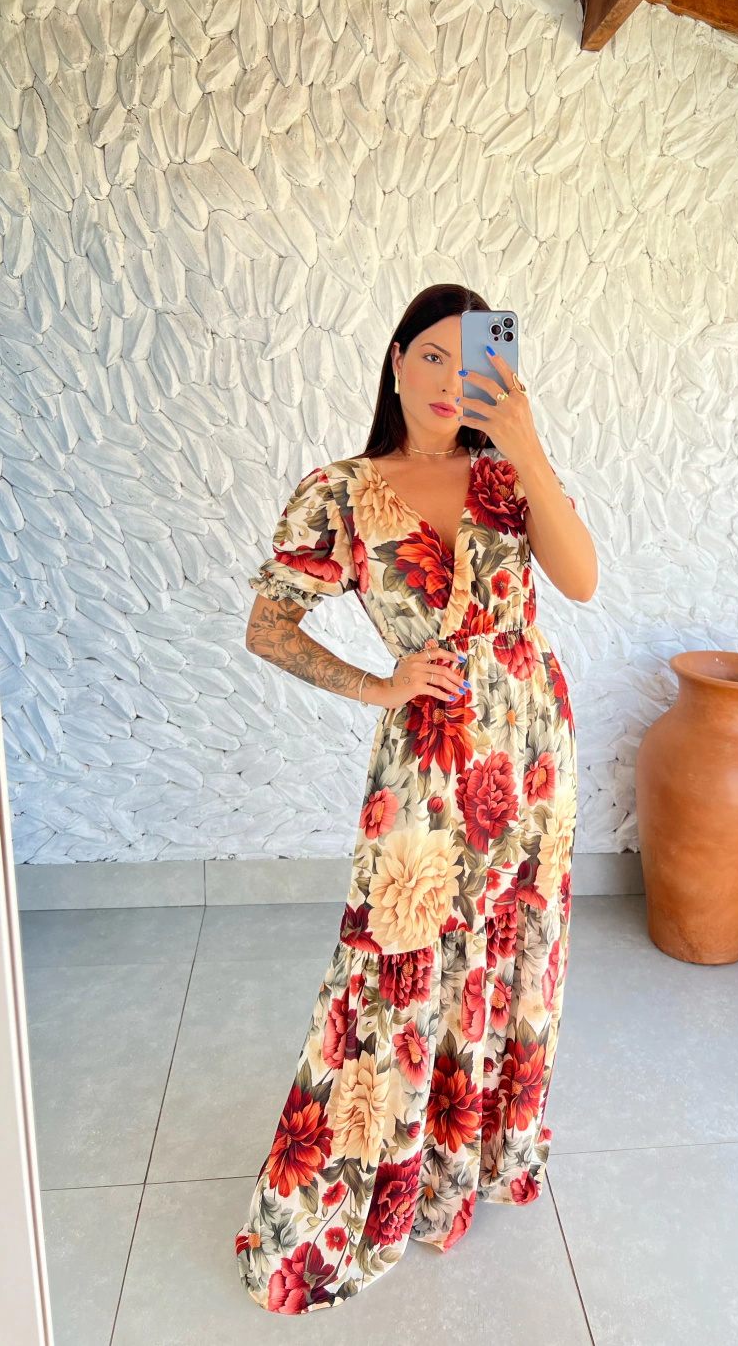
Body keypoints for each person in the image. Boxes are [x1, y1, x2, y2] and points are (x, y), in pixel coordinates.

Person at [234, 283, 598, 1314]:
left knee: (504, 951)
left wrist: (526, 444)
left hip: (531, 752)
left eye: (470, 358)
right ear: (395, 362)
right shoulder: (341, 493)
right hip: (430, 757)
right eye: (430, 355)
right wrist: (378, 685)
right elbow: (268, 626)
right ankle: (373, 1176)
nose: (448, 378)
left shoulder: (508, 476)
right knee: (398, 962)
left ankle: (463, 1164)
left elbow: (581, 580)